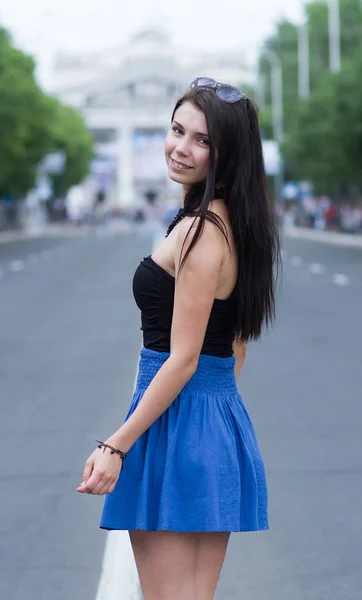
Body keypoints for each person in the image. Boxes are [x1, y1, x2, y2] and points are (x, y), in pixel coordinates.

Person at [77, 77, 280, 599]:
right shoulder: (239, 226)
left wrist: (115, 446)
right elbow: (234, 346)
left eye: (202, 140)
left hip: (176, 422)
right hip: (216, 423)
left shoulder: (198, 231)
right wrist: (210, 425)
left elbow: (183, 358)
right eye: (176, 130)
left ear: (227, 154)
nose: (181, 148)